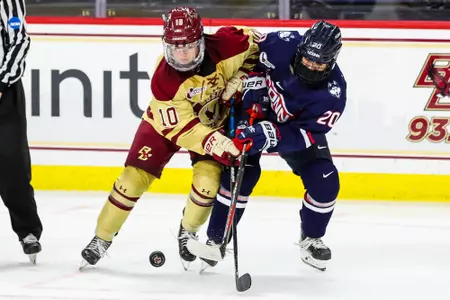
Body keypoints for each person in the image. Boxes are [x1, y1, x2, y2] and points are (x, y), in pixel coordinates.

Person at [80, 6, 260, 270]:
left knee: (208, 185)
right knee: (131, 181)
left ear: (201, 39)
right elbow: (181, 129)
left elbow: (259, 49)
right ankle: (102, 237)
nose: (183, 54)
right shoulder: (164, 79)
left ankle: (187, 232)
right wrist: (214, 141)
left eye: (188, 46)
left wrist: (243, 75)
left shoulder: (229, 43)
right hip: (166, 126)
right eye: (176, 47)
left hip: (211, 121)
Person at [190, 20, 347, 272]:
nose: (312, 66)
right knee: (243, 173)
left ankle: (311, 238)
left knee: (325, 181)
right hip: (250, 110)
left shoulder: (332, 94)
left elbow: (307, 134)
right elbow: (242, 43)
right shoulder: (281, 43)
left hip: (290, 129)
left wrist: (270, 133)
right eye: (308, 59)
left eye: (320, 63)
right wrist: (240, 77)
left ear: (332, 60)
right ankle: (216, 239)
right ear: (301, 48)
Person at [0, 0, 43, 264]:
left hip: (5, 93)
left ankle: (27, 231)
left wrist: (3, 81)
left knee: (12, 166)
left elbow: (19, 42)